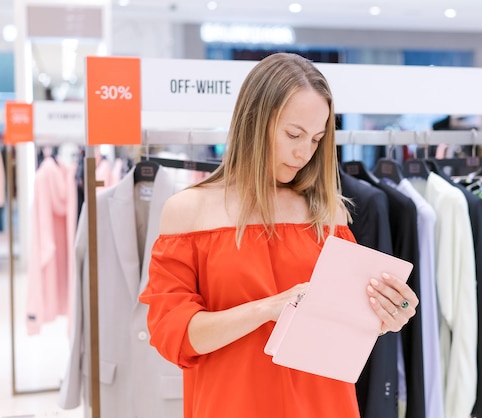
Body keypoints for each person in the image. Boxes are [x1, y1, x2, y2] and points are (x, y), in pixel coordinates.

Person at [139, 52, 419, 418]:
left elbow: (338, 330)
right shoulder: (189, 211)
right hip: (230, 406)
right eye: (293, 134)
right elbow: (172, 336)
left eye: (317, 139)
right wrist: (267, 309)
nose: (305, 152)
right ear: (254, 121)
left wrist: (384, 317)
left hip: (325, 406)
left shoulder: (327, 211)